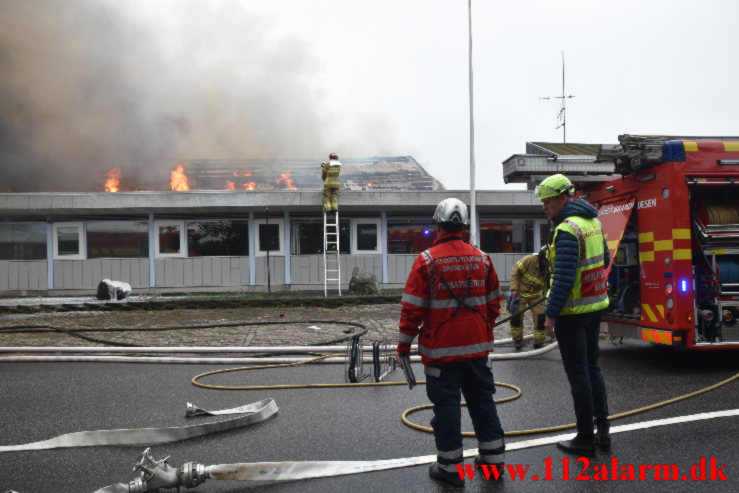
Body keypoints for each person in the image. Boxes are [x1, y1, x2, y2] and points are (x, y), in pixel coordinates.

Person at [396, 198, 505, 487]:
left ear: (438, 224)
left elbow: (412, 310)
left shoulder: (426, 260)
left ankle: (450, 468)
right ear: (464, 225)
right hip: (477, 350)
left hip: (441, 354)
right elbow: (494, 305)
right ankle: (493, 461)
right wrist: (481, 330)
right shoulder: (482, 258)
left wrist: (403, 346)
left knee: (446, 408)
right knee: (483, 402)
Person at [537, 173, 611, 457]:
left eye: (547, 201)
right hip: (595, 306)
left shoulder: (567, 229)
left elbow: (565, 277)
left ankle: (584, 438)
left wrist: (551, 316)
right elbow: (603, 259)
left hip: (572, 311)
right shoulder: (593, 222)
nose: (544, 207)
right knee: (592, 367)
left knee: (578, 372)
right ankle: (602, 431)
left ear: (562, 198)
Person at [508, 246, 548, 350]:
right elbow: (515, 273)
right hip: (520, 293)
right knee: (516, 317)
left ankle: (539, 343)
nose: (547, 263)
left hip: (535, 295)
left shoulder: (550, 266)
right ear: (541, 258)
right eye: (545, 261)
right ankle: (517, 340)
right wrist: (514, 289)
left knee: (541, 317)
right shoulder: (529, 260)